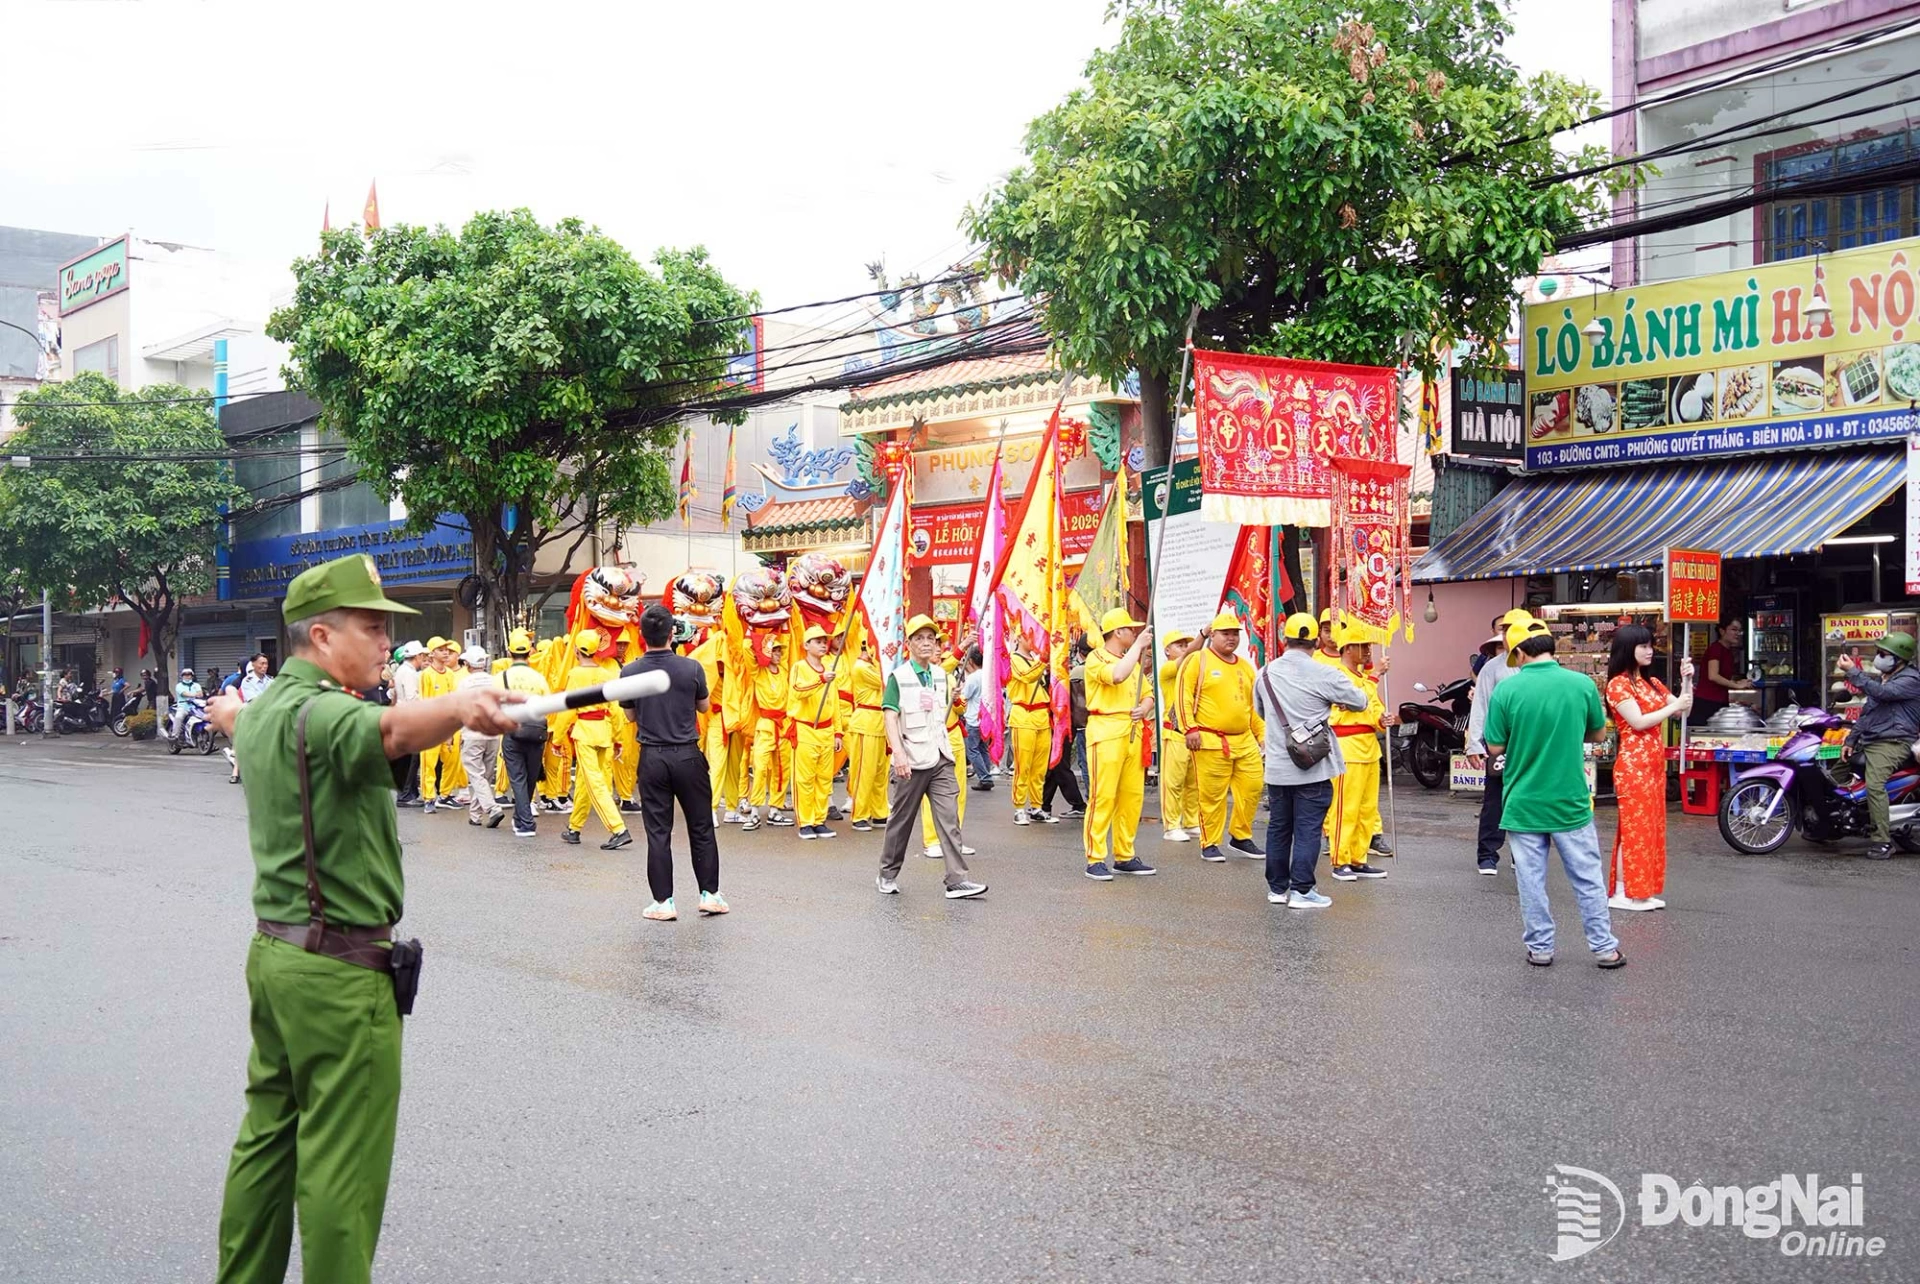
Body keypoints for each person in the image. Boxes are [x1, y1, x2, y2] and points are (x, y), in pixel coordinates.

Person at [206, 552, 523, 1284]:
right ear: (321, 636)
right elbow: (390, 733)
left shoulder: (264, 712)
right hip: (340, 975)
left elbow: (236, 717)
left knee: (267, 1140)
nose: (387, 642)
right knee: (341, 1170)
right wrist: (459, 707)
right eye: (372, 627)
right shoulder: (326, 712)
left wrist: (226, 713)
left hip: (277, 958)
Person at [1483, 619, 1625, 968]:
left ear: (1519, 653)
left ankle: (1541, 948)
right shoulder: (1581, 685)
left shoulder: (1507, 690)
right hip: (1570, 801)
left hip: (1523, 802)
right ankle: (1604, 949)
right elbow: (1597, 735)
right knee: (1587, 878)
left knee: (1531, 881)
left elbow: (1495, 747)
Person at [1252, 614, 1368, 908]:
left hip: (1278, 767)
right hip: (1313, 767)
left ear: (1285, 640)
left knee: (1279, 827)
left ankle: (1278, 889)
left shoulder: (1264, 674)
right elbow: (1360, 701)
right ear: (1316, 642)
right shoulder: (1325, 673)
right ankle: (1302, 891)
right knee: (1308, 829)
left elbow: (1262, 712)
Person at [622, 603, 727, 919]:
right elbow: (704, 707)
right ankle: (710, 895)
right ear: (672, 633)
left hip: (652, 756)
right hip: (687, 754)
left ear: (642, 635)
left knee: (658, 832)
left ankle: (663, 902)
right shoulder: (691, 668)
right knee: (701, 826)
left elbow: (630, 716)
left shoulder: (630, 672)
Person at [875, 614, 987, 899]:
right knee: (901, 821)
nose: (926, 643)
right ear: (909, 644)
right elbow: (890, 716)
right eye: (919, 638)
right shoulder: (899, 677)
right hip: (911, 760)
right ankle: (887, 873)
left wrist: (956, 695)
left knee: (949, 818)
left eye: (930, 638)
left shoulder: (941, 675)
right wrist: (898, 753)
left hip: (940, 757)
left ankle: (957, 879)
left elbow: (947, 709)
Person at [1605, 625, 1692, 910]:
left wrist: (1687, 681)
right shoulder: (1618, 684)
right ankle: (1623, 892)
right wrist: (1675, 705)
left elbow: (1684, 710)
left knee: (1651, 828)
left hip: (1653, 764)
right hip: (1633, 764)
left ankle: (1642, 890)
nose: (1649, 650)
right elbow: (1638, 722)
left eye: (1650, 645)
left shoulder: (1651, 682)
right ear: (1627, 649)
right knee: (1635, 829)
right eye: (1642, 646)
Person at [1175, 613, 1267, 863]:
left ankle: (1241, 836)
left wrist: (1262, 734)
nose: (1231, 638)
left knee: (1253, 787)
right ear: (1213, 634)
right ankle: (1210, 842)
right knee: (1212, 796)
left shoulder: (1245, 666)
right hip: (1210, 740)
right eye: (1225, 633)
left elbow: (1253, 707)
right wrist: (1189, 728)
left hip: (1244, 740)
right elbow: (1183, 696)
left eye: (1235, 633)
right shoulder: (1198, 660)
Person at [1083, 608, 1157, 880]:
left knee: (1131, 798)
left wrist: (1143, 707)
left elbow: (1148, 694)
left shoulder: (1133, 663)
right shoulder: (1096, 657)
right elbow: (1116, 676)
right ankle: (1095, 857)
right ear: (1118, 632)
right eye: (1131, 630)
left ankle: (1124, 855)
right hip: (1106, 731)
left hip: (1132, 731)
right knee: (1103, 796)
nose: (1135, 633)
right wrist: (1137, 648)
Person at [1465, 608, 1537, 874]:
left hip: (1533, 743)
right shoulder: (1492, 667)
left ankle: (1523, 853)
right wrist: (1474, 743)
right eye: (1504, 630)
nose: (1506, 635)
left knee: (1528, 799)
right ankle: (1487, 854)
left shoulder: (1539, 666)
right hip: (1501, 743)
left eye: (1511, 630)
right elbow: (1480, 705)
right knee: (1495, 799)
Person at [1837, 630, 1920, 860]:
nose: (1878, 657)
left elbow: (1883, 693)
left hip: (1894, 741)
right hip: (1871, 740)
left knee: (1874, 785)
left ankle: (1882, 841)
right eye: (1878, 652)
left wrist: (1852, 671)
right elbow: (1867, 714)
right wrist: (1850, 741)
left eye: (1883, 654)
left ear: (1899, 659)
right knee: (1836, 775)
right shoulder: (1884, 678)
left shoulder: (1910, 680)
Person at [1326, 621, 1393, 881]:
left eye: (1368, 646)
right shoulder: (1337, 675)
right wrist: (1375, 677)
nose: (1367, 651)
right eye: (1362, 646)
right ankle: (1340, 859)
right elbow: (1355, 700)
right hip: (1347, 747)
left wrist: (1383, 720)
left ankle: (1358, 858)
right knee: (1346, 807)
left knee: (1367, 808)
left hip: (1369, 748)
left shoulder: (1365, 680)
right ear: (1347, 648)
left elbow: (1373, 708)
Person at [554, 628, 632, 850]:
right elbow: (615, 709)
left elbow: (568, 709)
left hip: (585, 733)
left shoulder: (575, 674)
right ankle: (574, 828)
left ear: (577, 650)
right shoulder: (606, 674)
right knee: (584, 781)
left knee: (594, 783)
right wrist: (618, 739)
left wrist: (557, 738)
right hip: (604, 732)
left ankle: (618, 829)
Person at [788, 623, 844, 839]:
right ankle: (805, 822)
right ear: (806, 645)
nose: (823, 645)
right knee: (805, 779)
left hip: (826, 730)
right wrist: (820, 680)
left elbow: (834, 703)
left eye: (824, 641)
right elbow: (797, 690)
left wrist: (838, 732)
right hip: (805, 729)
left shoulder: (829, 669)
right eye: (818, 641)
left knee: (824, 778)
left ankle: (819, 820)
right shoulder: (799, 667)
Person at [496, 632, 552, 838]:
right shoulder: (538, 677)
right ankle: (521, 818)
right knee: (530, 777)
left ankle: (526, 823)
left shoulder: (501, 677)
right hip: (536, 732)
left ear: (509, 652)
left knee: (518, 778)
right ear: (530, 652)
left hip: (512, 730)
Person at [741, 637, 792, 831]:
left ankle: (775, 810)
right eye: (774, 650)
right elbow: (746, 648)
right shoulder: (758, 672)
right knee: (760, 767)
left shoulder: (784, 671)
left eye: (779, 651)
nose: (778, 654)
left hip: (783, 726)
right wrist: (759, 640)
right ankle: (754, 811)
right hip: (765, 725)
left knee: (782, 769)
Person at [1156, 630, 1201, 842]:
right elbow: (1188, 656)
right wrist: (1203, 635)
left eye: (1185, 645)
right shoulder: (1168, 669)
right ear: (1167, 651)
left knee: (1193, 782)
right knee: (1173, 782)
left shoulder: (1190, 671)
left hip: (1192, 731)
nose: (1184, 648)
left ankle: (1191, 822)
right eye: (1179, 645)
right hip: (1174, 732)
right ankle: (1171, 825)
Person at [456, 647, 506, 828]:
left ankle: (493, 809)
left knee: (476, 775)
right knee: (484, 776)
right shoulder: (495, 681)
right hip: (492, 734)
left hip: (472, 733)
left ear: (467, 664)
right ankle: (475, 815)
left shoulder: (464, 683)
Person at [845, 638, 890, 831]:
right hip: (865, 723)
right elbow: (886, 681)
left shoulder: (873, 666)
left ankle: (879, 812)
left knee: (880, 772)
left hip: (881, 723)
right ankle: (860, 814)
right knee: (864, 772)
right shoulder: (861, 667)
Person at [1006, 634, 1052, 824]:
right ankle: (1019, 807)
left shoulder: (1035, 660)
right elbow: (1026, 676)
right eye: (1029, 635)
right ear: (1019, 637)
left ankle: (1036, 806)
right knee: (1023, 765)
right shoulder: (1013, 659)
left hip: (1042, 715)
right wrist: (1042, 662)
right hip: (1023, 714)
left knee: (1040, 767)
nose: (1034, 640)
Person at [415, 639, 463, 812]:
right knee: (429, 763)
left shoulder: (450, 674)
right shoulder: (426, 675)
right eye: (441, 649)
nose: (445, 652)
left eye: (447, 650)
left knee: (452, 760)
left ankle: (446, 794)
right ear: (432, 653)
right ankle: (429, 797)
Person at [389, 641, 427, 805]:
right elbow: (412, 698)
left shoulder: (402, 670)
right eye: (423, 655)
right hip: (409, 718)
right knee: (411, 759)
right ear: (418, 656)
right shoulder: (409, 673)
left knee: (408, 758)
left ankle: (409, 793)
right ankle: (405, 795)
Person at [1694, 618, 1751, 725]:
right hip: (1707, 701)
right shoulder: (1715, 649)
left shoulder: (1729, 652)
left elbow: (1723, 678)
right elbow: (1713, 676)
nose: (1737, 634)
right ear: (1722, 631)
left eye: (1739, 631)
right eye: (1734, 630)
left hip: (1721, 701)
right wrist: (1736, 686)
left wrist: (1737, 682)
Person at [961, 647, 994, 788]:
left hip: (973, 719)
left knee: (973, 750)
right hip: (985, 719)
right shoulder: (988, 675)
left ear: (971, 661)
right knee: (982, 749)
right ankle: (986, 776)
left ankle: (985, 777)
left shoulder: (973, 678)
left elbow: (964, 696)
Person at [170, 667, 205, 742]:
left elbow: (201, 694)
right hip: (183, 707)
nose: (187, 676)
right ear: (182, 676)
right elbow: (184, 694)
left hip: (195, 707)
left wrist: (194, 695)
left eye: (189, 675)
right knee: (179, 717)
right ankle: (174, 736)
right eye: (185, 675)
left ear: (192, 676)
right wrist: (194, 695)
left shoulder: (196, 685)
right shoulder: (179, 685)